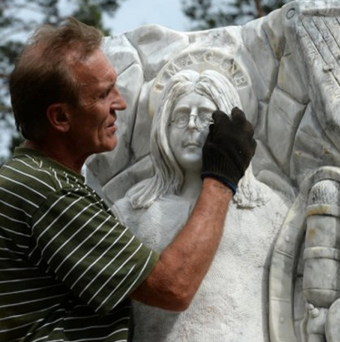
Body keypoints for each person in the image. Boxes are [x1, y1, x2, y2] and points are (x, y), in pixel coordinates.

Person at [0, 18, 256, 342]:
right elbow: (172, 288)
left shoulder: (32, 180)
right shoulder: (50, 193)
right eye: (104, 94)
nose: (120, 104)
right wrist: (221, 178)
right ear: (61, 117)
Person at [112, 69, 289, 341]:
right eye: (181, 117)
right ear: (163, 127)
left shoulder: (269, 211)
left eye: (206, 116)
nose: (192, 125)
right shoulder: (131, 213)